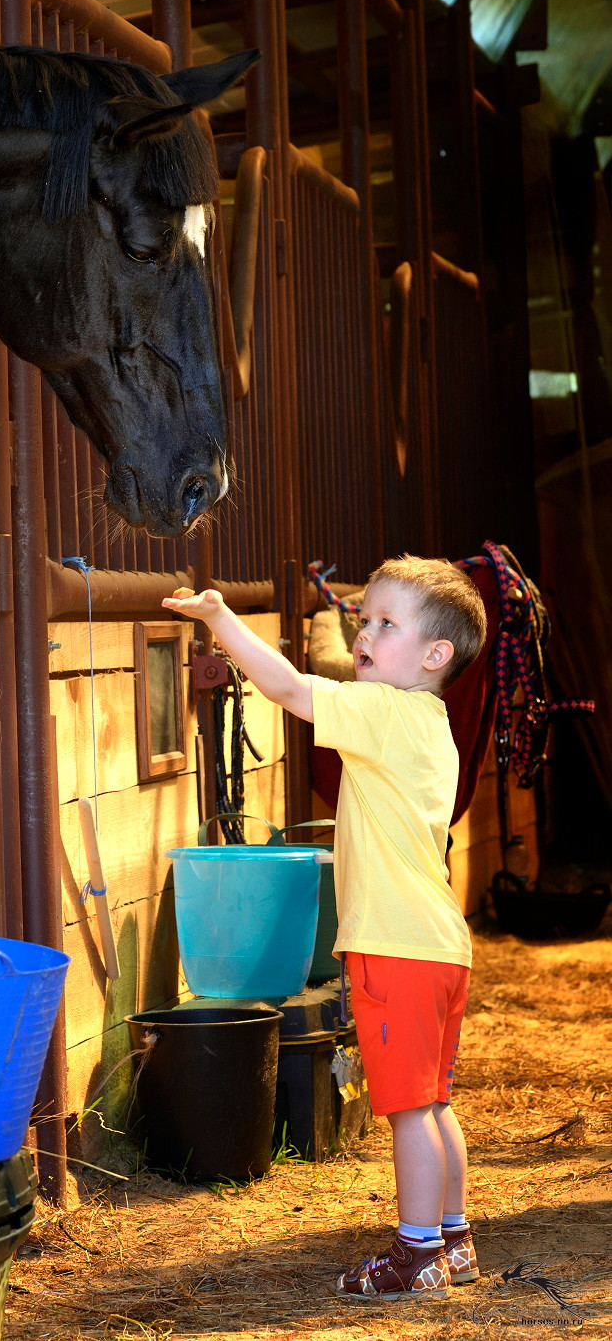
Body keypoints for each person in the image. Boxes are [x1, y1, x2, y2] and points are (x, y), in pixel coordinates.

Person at [163, 555, 487, 1300]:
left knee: (407, 1109)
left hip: (397, 946)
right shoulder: (429, 722)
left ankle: (416, 1255)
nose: (363, 634)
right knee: (434, 1102)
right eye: (362, 618)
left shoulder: (384, 711)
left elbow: (287, 687)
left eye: (384, 624)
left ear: (436, 656)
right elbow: (329, 672)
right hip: (440, 944)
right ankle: (454, 1238)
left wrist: (219, 620)